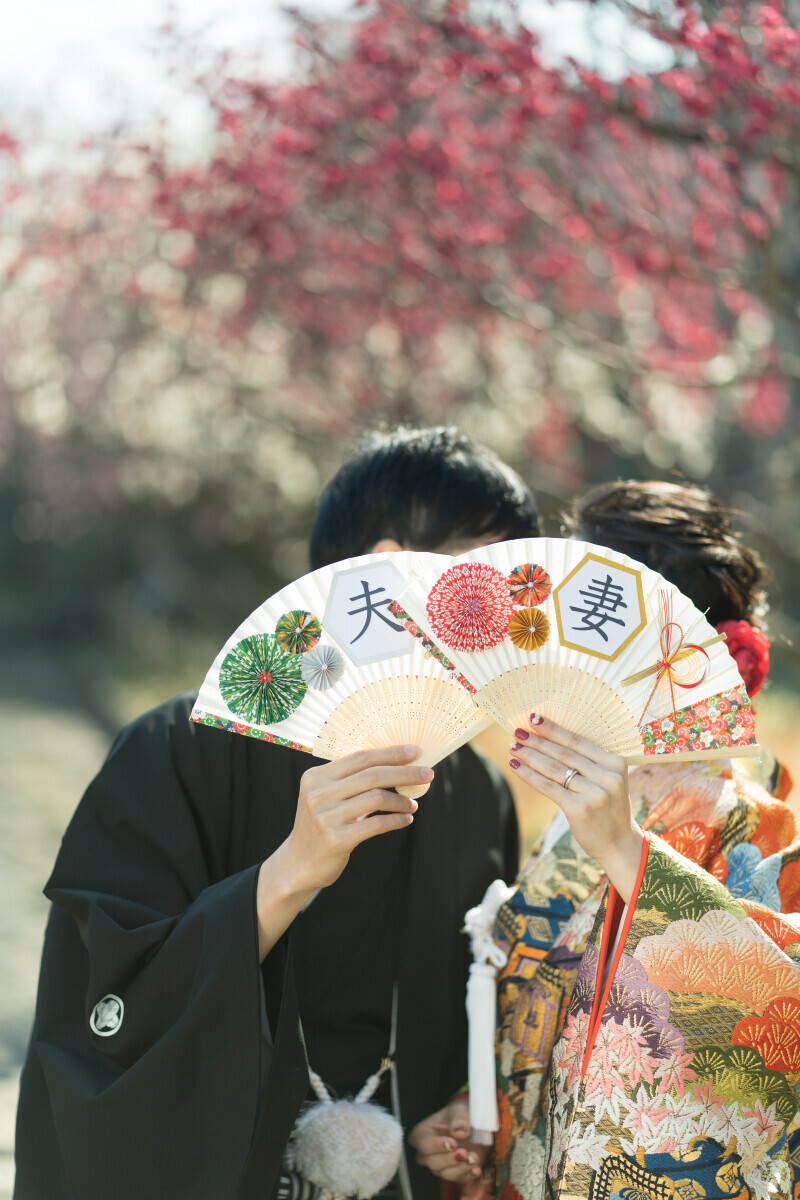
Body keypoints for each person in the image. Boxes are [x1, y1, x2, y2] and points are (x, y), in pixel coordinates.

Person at [14, 427, 540, 1200]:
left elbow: (462, 1022)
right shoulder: (179, 749)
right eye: (488, 582)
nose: (506, 616)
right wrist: (287, 875)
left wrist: (446, 1117)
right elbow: (106, 1008)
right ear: (388, 571)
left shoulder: (474, 792)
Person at [411, 480, 800, 1199]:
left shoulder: (757, 822)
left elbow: (784, 1034)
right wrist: (480, 1119)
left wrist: (627, 855)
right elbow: (537, 1033)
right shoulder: (574, 815)